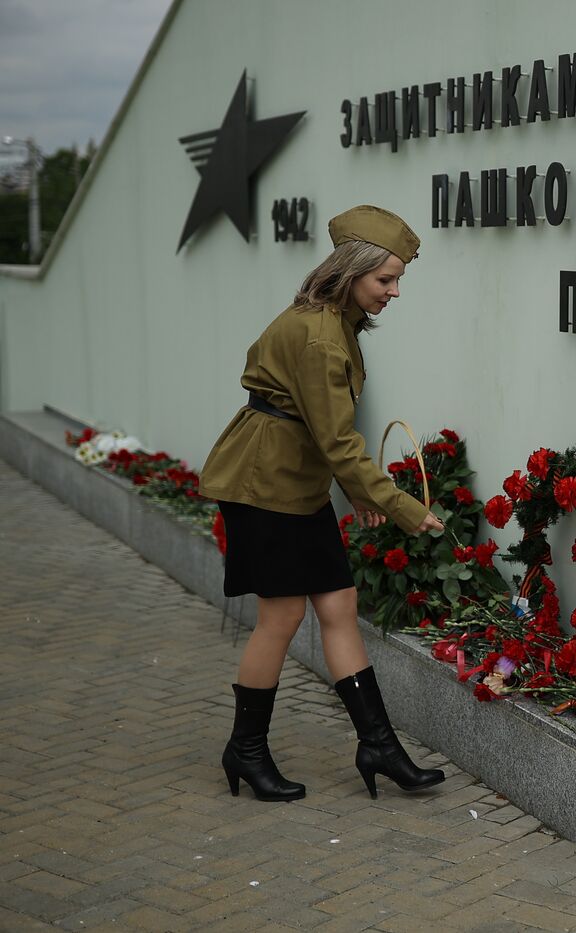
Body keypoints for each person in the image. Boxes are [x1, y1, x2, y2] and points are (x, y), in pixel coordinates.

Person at [200, 204, 446, 802]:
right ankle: (246, 750)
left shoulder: (334, 322)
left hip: (295, 480)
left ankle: (379, 746)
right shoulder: (320, 337)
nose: (393, 292)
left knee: (338, 604)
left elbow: (324, 431)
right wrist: (403, 507)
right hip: (266, 485)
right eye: (385, 279)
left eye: (397, 281)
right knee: (281, 617)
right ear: (352, 270)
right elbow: (337, 439)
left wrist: (356, 492)